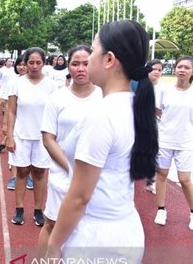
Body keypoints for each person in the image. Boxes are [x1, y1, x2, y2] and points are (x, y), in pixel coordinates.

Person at [45, 20, 158, 262]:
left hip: (94, 238)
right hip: (126, 228)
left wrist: (53, 245)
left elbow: (80, 197)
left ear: (109, 60)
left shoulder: (100, 115)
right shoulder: (134, 106)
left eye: (93, 52)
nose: (88, 61)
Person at [37, 45, 102, 258]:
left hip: (96, 178)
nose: (81, 69)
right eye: (75, 64)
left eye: (86, 63)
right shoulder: (58, 98)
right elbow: (48, 138)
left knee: (88, 228)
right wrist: (71, 168)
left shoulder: (104, 96)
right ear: (68, 66)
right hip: (63, 175)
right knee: (52, 224)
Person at [6, 47, 57, 226]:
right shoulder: (17, 83)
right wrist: (9, 136)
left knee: (40, 172)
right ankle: (19, 208)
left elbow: (55, 112)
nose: (34, 66)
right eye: (31, 62)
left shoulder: (51, 85)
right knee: (21, 172)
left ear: (44, 63)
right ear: (25, 63)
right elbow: (11, 111)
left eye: (38, 63)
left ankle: (38, 210)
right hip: (21, 134)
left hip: (43, 137)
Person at [154, 56, 193, 230]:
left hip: (185, 142)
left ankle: (192, 212)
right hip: (165, 140)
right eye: (179, 66)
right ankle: (161, 209)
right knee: (161, 174)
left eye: (186, 67)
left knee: (184, 179)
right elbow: (158, 110)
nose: (182, 70)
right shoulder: (165, 90)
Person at [3, 54, 33, 191]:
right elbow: (9, 106)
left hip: (32, 123)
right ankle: (15, 177)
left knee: (31, 153)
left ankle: (29, 177)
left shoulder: (36, 83)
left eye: (24, 64)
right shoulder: (13, 82)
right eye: (19, 64)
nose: (21, 67)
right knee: (14, 151)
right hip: (16, 122)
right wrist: (5, 124)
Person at [145, 59, 164, 194]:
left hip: (154, 125)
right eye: (154, 69)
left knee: (153, 153)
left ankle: (150, 181)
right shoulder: (138, 84)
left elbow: (162, 111)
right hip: (136, 123)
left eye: (159, 70)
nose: (156, 72)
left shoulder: (163, 89)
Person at [0, 58, 15, 151]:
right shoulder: (1, 70)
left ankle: (3, 142)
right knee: (2, 102)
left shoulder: (16, 73)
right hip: (5, 91)